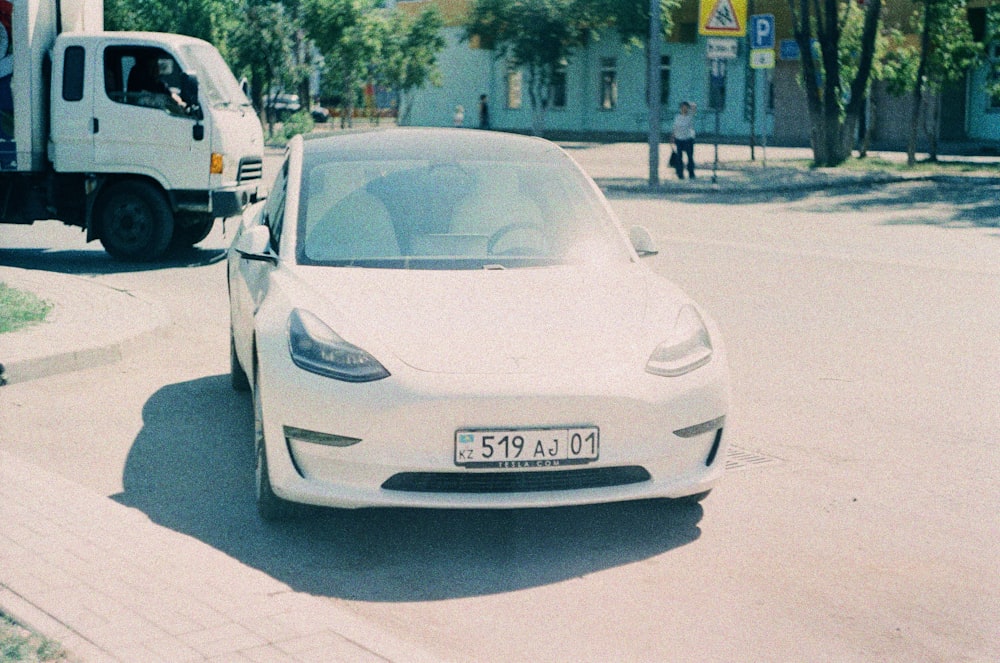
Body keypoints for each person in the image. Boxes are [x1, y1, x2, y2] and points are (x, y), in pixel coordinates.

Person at [670, 101, 697, 179]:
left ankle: (691, 173)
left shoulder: (690, 116)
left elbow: (694, 106)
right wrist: (672, 137)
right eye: (682, 107)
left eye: (685, 107)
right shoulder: (677, 117)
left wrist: (689, 103)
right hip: (679, 139)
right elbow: (675, 127)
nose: (684, 109)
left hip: (688, 139)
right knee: (679, 157)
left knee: (690, 157)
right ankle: (680, 173)